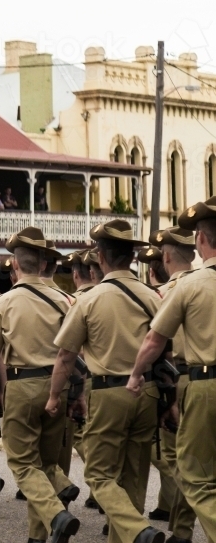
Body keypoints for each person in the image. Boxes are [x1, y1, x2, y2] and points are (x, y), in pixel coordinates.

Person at [48, 219, 164, 543]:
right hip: (149, 388)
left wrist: (55, 395)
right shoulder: (154, 297)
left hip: (110, 391)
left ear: (100, 258)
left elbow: (65, 357)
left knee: (99, 475)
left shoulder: (88, 299)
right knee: (134, 475)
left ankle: (138, 530)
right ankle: (129, 535)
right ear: (133, 258)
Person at [0, 228, 80, 543]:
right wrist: (63, 392)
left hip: (22, 385)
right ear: (44, 264)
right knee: (45, 464)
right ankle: (38, 535)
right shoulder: (66, 300)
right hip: (56, 384)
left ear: (15, 266)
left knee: (22, 462)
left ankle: (56, 514)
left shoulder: (4, 302)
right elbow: (71, 354)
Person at [128, 198, 216, 543]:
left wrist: (136, 373)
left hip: (202, 382)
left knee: (193, 473)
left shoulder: (190, 285)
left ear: (200, 240)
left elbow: (153, 340)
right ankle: (180, 533)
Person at [144, 228, 199, 539]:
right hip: (201, 374)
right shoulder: (206, 282)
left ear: (165, 257)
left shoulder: (165, 293)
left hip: (176, 379)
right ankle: (180, 530)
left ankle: (181, 529)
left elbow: (153, 342)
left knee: (176, 458)